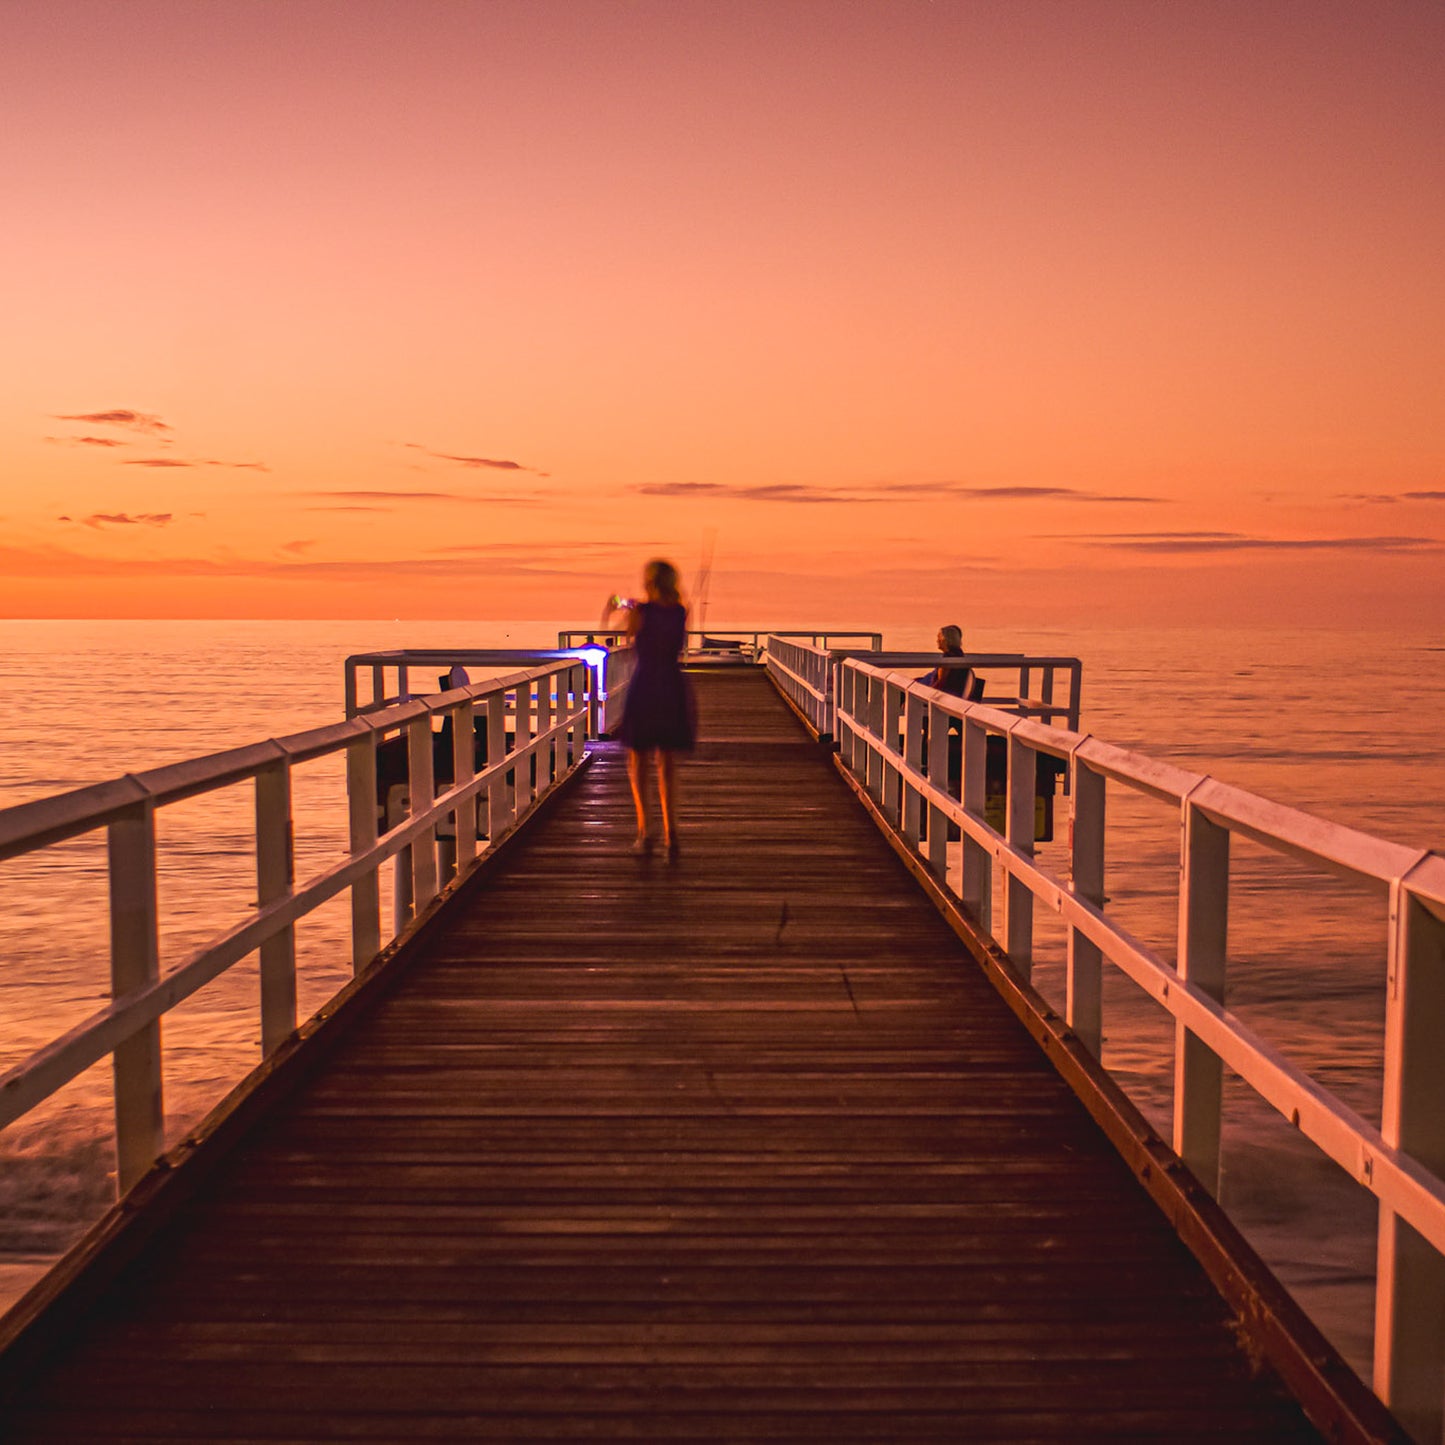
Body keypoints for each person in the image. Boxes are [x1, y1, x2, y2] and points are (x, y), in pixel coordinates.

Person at [602, 559, 697, 856]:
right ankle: (672, 835)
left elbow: (625, 635)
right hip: (671, 685)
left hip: (645, 687)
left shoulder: (641, 612)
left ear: (650, 582)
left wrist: (613, 608)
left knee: (639, 762)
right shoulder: (682, 612)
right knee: (666, 763)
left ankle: (645, 831)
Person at [920, 624, 978, 701]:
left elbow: (940, 683)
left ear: (945, 640)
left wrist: (925, 696)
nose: (937, 641)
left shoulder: (948, 659)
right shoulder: (959, 655)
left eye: (939, 638)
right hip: (952, 695)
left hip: (944, 698)